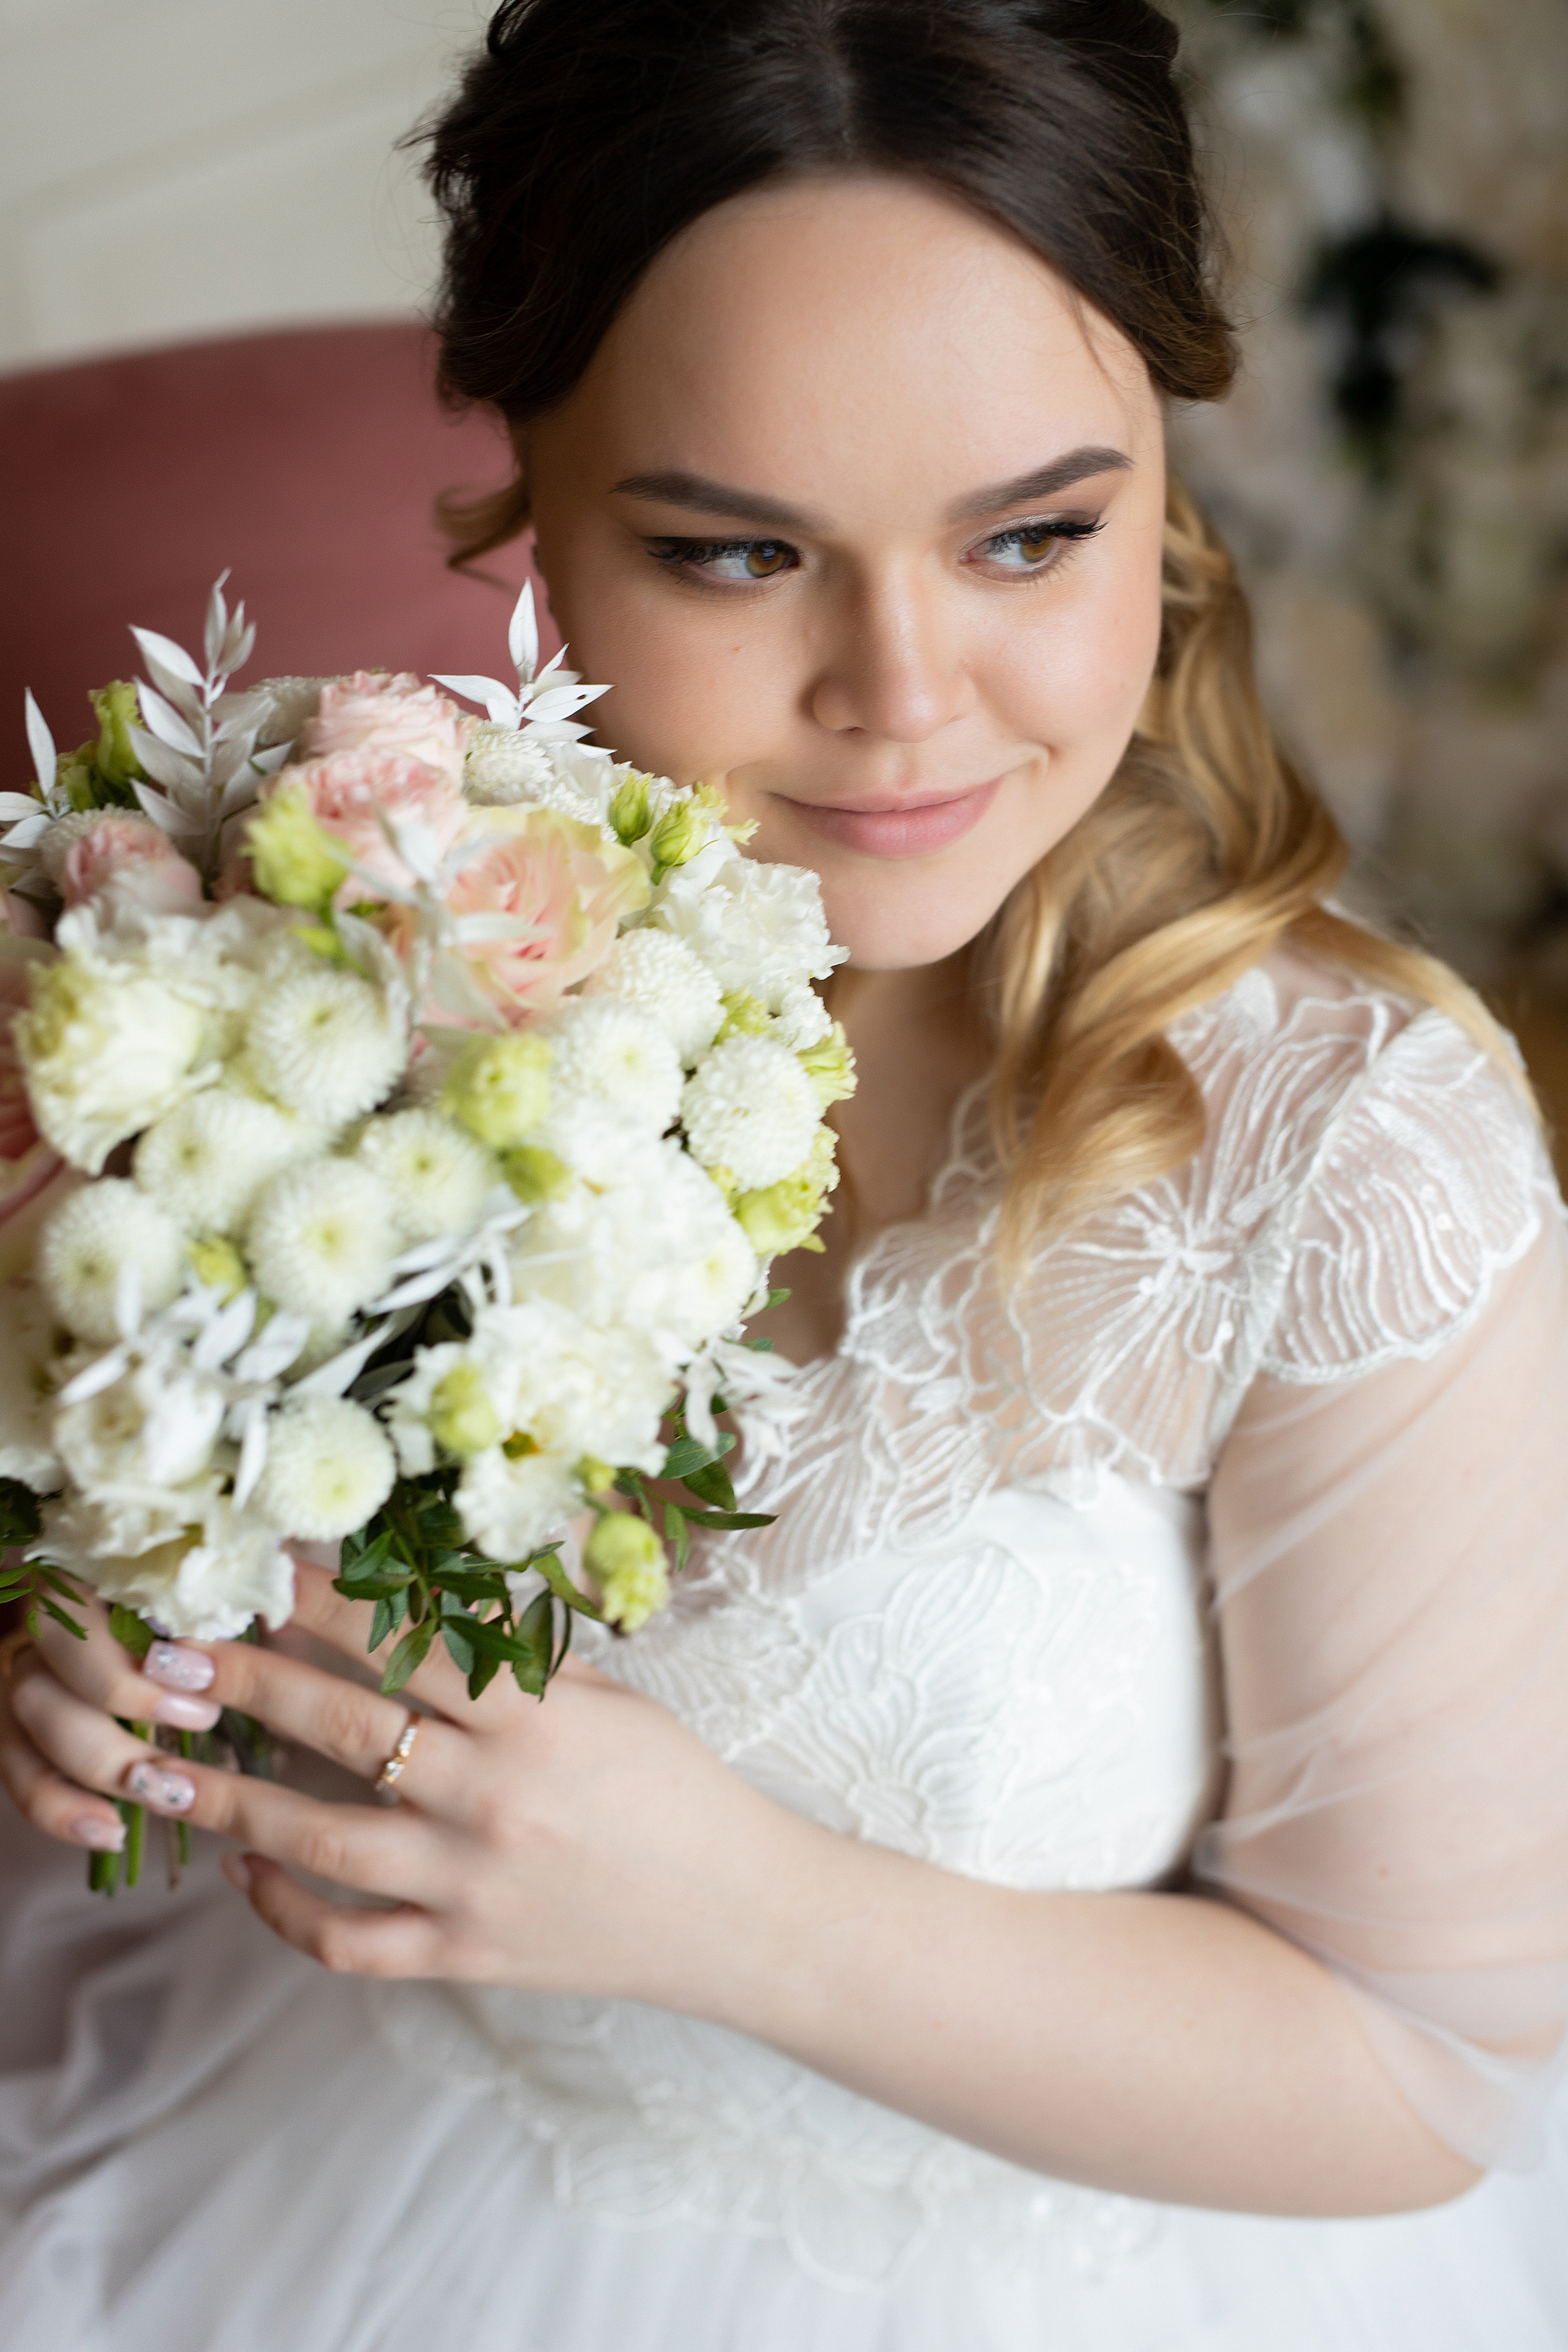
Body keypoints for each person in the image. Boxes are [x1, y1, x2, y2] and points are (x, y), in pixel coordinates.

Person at [2, 2, 1566, 2345]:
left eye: (1038, 533)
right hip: (345, 2165)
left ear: (1171, 473)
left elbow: (1422, 2072)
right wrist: (118, 1608)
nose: (909, 692)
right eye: (740, 557)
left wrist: (727, 1910)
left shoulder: (1350, 1159)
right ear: (527, 496)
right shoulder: (340, 955)